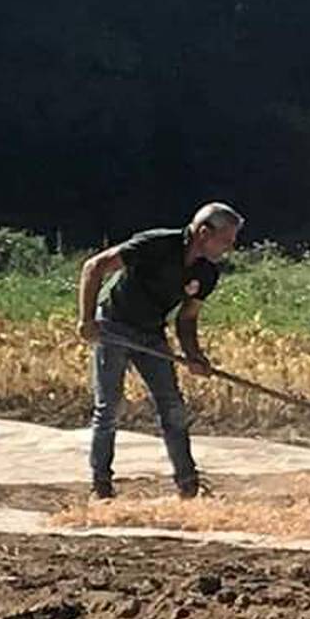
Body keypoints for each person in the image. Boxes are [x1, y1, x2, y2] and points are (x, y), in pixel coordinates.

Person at [76, 202, 244, 499]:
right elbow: (95, 266)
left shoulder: (207, 273)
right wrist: (87, 320)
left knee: (172, 407)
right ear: (204, 232)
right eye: (226, 240)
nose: (230, 247)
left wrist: (195, 356)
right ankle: (101, 486)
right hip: (114, 325)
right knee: (109, 408)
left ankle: (188, 484)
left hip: (151, 333)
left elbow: (187, 318)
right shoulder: (155, 244)